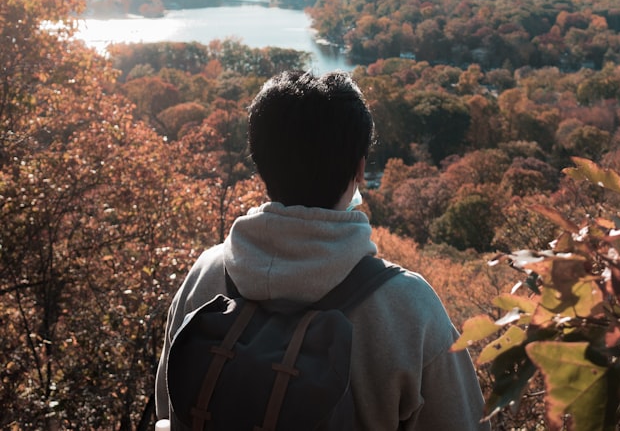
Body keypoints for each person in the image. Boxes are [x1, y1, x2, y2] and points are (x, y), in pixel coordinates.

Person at [154, 70, 490, 429]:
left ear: (261, 165)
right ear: (360, 169)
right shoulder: (409, 308)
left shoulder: (205, 277)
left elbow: (168, 409)